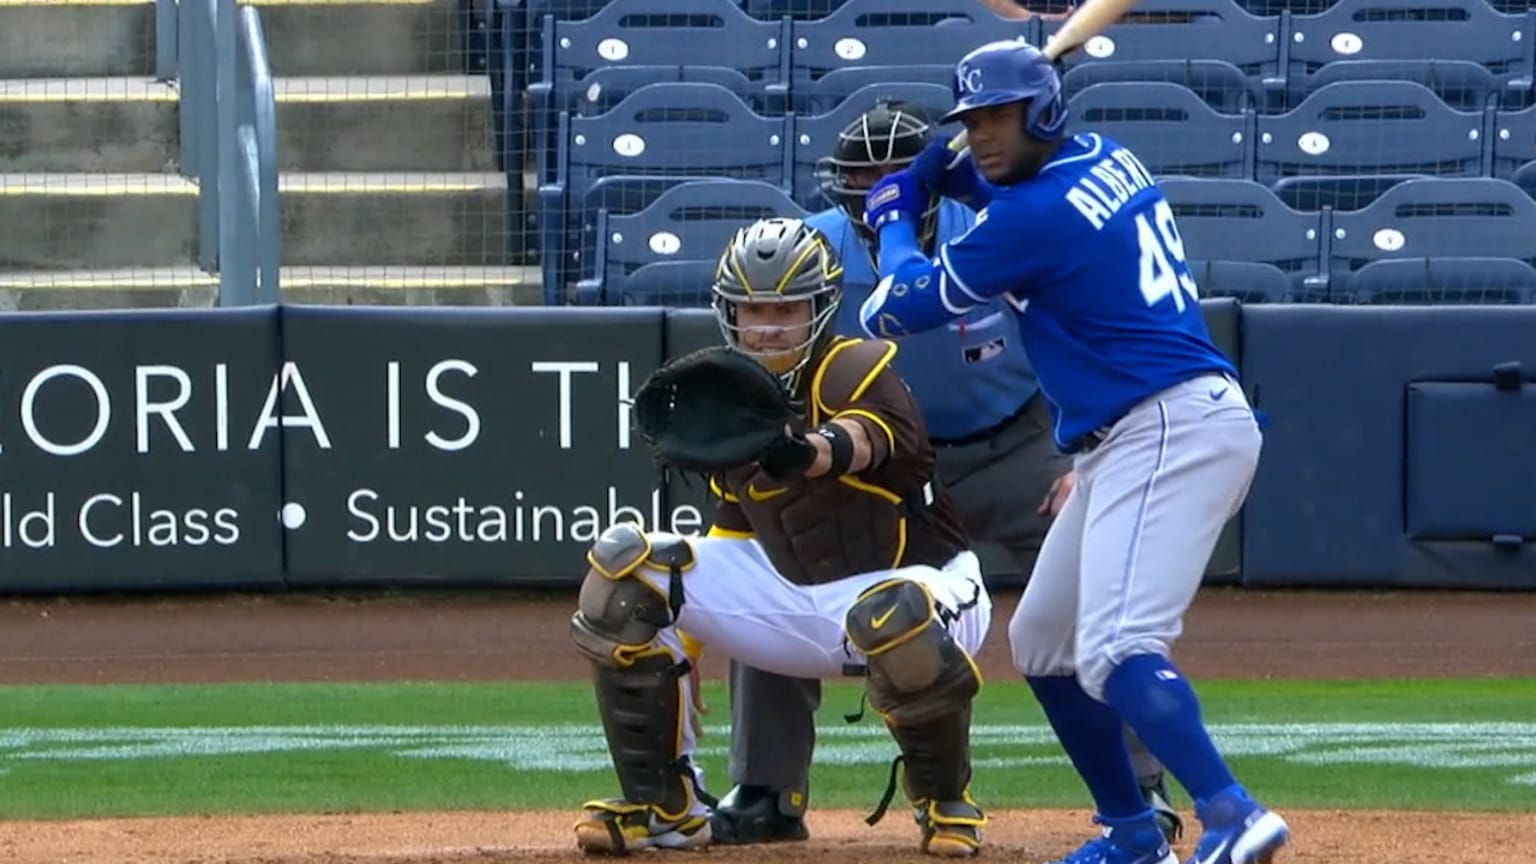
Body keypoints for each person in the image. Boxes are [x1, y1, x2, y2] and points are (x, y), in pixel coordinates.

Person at [855, 39, 1290, 864]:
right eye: (971, 122)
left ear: (1044, 111)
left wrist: (893, 216)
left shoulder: (1030, 216)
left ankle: (1233, 813)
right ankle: (1131, 834)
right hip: (1138, 430)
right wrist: (959, 182)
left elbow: (897, 307)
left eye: (999, 118)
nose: (982, 135)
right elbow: (1031, 217)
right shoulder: (1101, 158)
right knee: (1046, 640)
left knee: (1119, 650)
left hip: (1165, 424)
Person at [709, 101, 1183, 849]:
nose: (873, 193)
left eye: (890, 176)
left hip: (1015, 441)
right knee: (777, 563)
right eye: (858, 178)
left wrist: (1083, 458)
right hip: (871, 465)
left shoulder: (996, 224)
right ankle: (767, 787)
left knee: (1097, 579)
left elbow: (1075, 332)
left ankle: (1141, 788)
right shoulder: (813, 248)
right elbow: (770, 353)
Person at [570, 216, 994, 857]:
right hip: (802, 595)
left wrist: (809, 450)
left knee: (894, 615)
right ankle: (664, 805)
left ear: (819, 308)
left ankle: (946, 803)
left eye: (785, 309)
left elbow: (871, 439)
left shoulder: (855, 365)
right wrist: (675, 638)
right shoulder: (730, 397)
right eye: (751, 309)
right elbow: (734, 544)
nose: (766, 326)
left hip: (920, 585)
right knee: (624, 570)